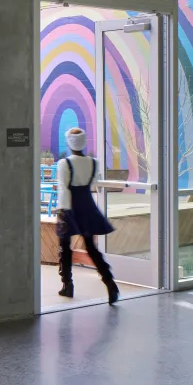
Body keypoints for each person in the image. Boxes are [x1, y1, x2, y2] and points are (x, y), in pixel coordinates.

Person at [53, 127, 120, 304]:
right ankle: (110, 283)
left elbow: (63, 188)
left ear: (69, 142)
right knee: (91, 247)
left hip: (70, 208)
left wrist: (63, 211)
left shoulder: (64, 164)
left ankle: (67, 285)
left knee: (65, 248)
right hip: (87, 207)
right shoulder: (93, 162)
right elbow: (94, 183)